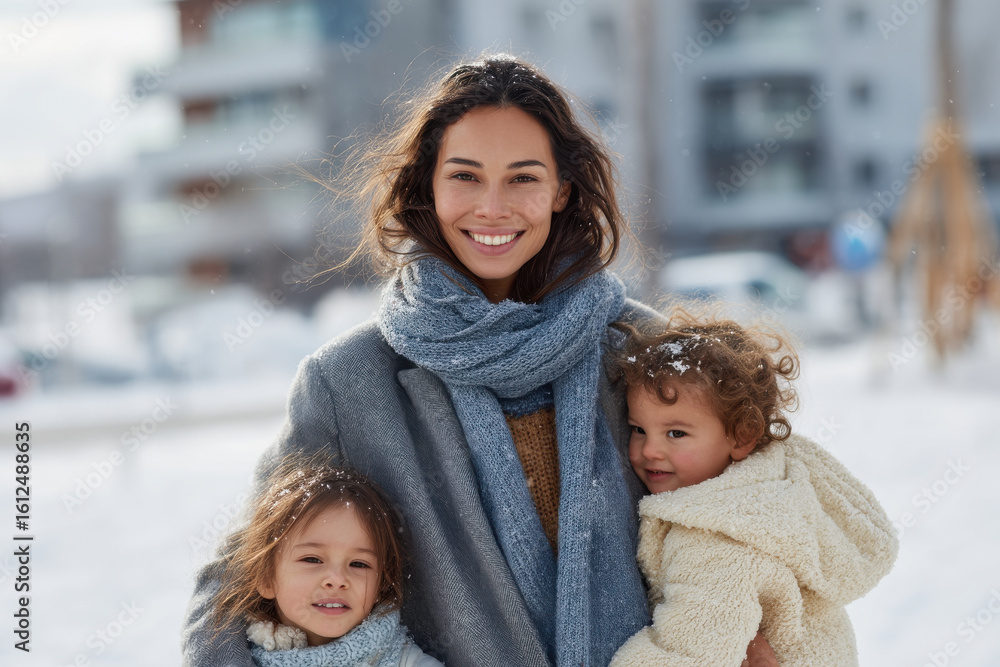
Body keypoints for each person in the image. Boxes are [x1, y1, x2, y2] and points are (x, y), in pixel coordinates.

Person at [182, 53, 778, 667]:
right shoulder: (347, 384)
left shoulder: (639, 351)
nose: (492, 208)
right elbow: (235, 585)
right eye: (465, 176)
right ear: (427, 185)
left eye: (523, 178)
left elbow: (761, 514)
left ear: (561, 191)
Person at [605, 307, 899, 666]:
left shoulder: (717, 539)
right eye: (638, 429)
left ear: (742, 437)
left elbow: (688, 654)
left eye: (676, 433)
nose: (649, 450)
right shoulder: (774, 485)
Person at [210, 457, 443, 666]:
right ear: (266, 578)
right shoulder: (235, 658)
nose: (337, 579)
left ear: (381, 585)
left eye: (359, 564)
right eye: (312, 559)